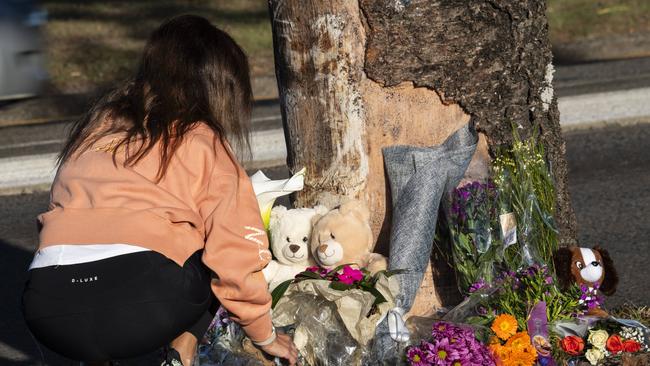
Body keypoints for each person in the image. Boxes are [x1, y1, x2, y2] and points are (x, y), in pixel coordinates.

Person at [21, 14, 298, 366]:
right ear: (220, 89)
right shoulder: (202, 139)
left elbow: (58, 222)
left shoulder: (94, 130)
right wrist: (265, 334)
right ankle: (181, 354)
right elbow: (235, 254)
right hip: (143, 305)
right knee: (209, 245)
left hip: (47, 307)